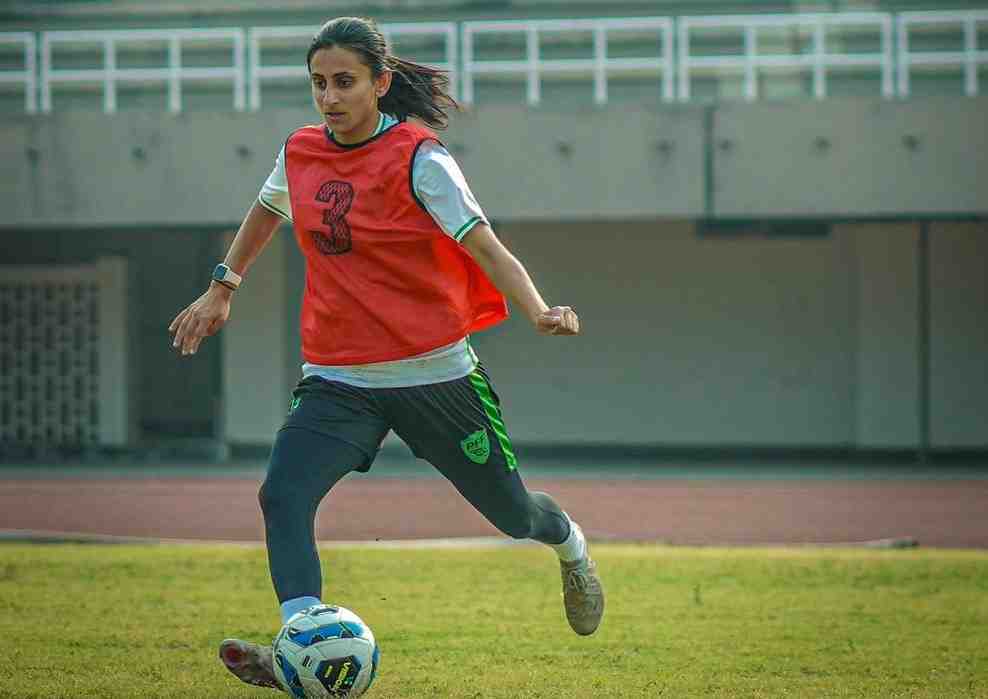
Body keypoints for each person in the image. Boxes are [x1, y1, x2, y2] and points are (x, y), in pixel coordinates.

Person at [169, 16, 604, 691]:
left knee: (516, 515)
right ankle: (301, 640)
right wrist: (222, 287)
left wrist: (539, 308)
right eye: (318, 83)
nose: (329, 97)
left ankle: (572, 547)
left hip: (437, 377)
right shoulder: (299, 152)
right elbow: (266, 210)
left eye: (344, 81)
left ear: (380, 82)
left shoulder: (419, 158)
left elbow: (485, 245)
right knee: (282, 493)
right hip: (339, 378)